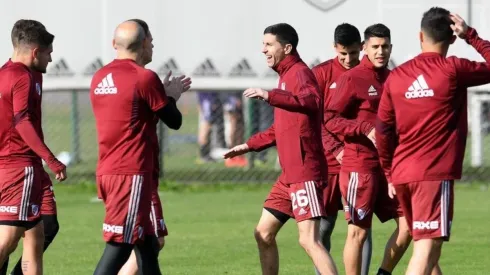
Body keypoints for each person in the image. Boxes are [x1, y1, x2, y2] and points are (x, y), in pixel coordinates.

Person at [376, 8, 490, 275]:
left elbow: (383, 130)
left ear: (420, 36)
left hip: (403, 174)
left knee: (428, 248)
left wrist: (389, 172)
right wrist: (470, 35)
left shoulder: (396, 76)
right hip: (432, 176)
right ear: (451, 39)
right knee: (427, 248)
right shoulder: (452, 69)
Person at [224, 23, 338, 275]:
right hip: (288, 177)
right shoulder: (285, 76)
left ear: (287, 48)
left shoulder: (299, 73)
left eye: (269, 45)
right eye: (263, 44)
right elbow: (281, 129)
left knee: (309, 240)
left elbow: (311, 101)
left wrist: (269, 95)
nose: (263, 50)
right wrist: (246, 146)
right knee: (263, 233)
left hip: (304, 171)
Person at [90, 19, 187, 275]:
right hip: (130, 174)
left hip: (108, 171)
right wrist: (172, 96)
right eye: (151, 41)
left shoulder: (99, 77)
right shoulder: (144, 77)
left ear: (114, 44)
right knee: (120, 245)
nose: (152, 46)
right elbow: (174, 120)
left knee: (147, 244)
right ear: (144, 43)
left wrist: (159, 97)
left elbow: (132, 120)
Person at [324, 24, 411, 275]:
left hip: (391, 167)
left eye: (385, 46)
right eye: (375, 46)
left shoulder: (394, 78)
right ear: (365, 48)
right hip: (359, 165)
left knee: (408, 225)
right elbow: (330, 118)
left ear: (391, 47)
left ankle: (383, 273)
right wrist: (364, 127)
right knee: (358, 232)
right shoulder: (351, 78)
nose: (380, 51)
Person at [0, 19, 67, 275]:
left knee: (38, 232)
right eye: (49, 53)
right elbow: (22, 121)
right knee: (8, 238)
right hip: (19, 167)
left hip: (20, 167)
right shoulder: (21, 77)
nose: (51, 59)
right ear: (36, 52)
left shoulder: (10, 74)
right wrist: (51, 159)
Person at [312, 23, 375, 275]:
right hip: (328, 163)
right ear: (334, 49)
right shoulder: (321, 74)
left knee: (361, 228)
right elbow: (315, 118)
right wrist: (336, 148)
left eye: (353, 53)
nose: (349, 59)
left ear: (361, 47)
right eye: (343, 54)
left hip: (361, 162)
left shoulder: (371, 73)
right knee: (324, 228)